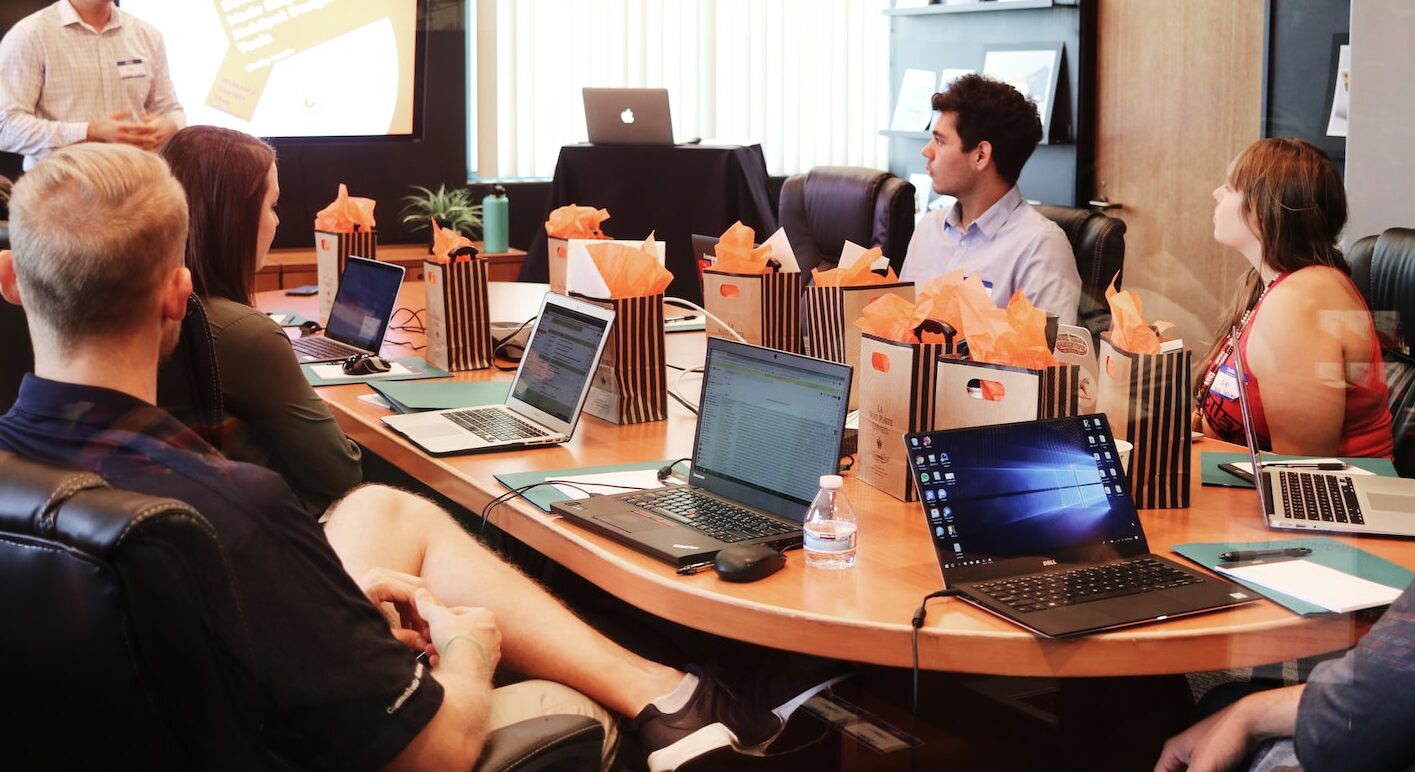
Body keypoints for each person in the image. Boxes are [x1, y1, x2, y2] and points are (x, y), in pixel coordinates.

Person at [0, 143, 839, 771]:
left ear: (11, 279)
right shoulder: (232, 507)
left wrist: (335, 599)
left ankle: (674, 691)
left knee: (381, 509)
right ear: (178, 296)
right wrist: (470, 646)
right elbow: (431, 752)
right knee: (515, 664)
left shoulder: (40, 485)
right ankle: (676, 703)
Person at [1155, 443, 1415, 772]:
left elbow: (1356, 728)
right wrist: (1249, 712)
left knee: (1218, 711)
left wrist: (1247, 715)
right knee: (1227, 704)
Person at [160, 125, 360, 517]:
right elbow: (342, 473)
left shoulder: (144, 309)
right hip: (275, 533)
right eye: (272, 206)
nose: (277, 222)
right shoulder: (245, 334)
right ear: (233, 218)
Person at [1193, 138, 1393, 458]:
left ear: (1263, 209)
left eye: (1231, 188)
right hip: (1255, 485)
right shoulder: (1270, 285)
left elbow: (1300, 471)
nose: (1217, 194)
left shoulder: (1301, 301)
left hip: (1329, 501)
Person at [899, 73, 1081, 321]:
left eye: (940, 141)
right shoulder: (928, 230)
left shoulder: (1040, 246)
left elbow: (1047, 356)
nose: (926, 150)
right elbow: (896, 331)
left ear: (981, 155)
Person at [0, 0, 183, 170]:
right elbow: (5, 127)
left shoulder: (147, 34)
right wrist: (89, 132)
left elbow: (171, 110)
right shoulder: (30, 35)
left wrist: (169, 126)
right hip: (59, 188)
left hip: (137, 183)